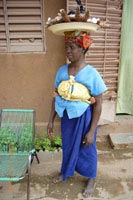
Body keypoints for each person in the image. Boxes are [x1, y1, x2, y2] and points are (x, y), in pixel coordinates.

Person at [47, 30, 107, 198]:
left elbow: (99, 104)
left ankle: (91, 178)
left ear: (83, 50)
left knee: (87, 147)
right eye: (67, 47)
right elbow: (55, 95)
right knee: (67, 145)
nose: (68, 51)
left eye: (72, 47)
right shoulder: (61, 71)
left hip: (85, 119)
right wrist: (51, 120)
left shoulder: (92, 74)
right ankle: (65, 171)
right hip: (67, 118)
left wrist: (91, 130)